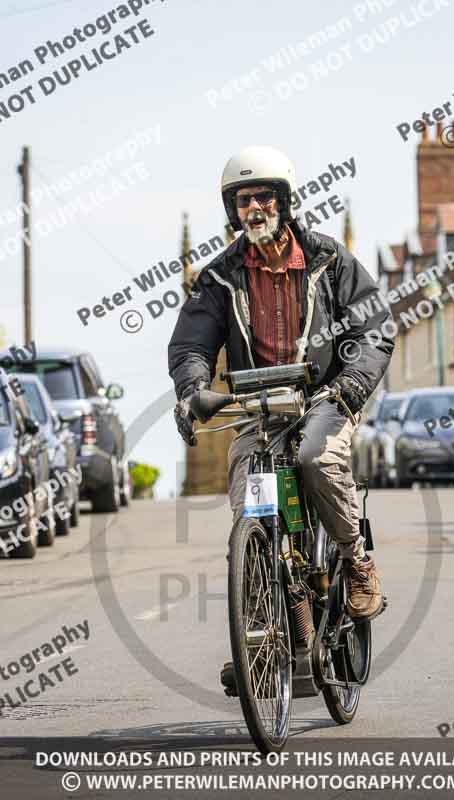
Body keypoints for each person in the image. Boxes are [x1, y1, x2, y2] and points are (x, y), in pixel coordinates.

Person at [168, 145, 395, 622]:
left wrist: (351, 385)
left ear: (285, 201)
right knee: (249, 494)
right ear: (233, 211)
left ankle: (356, 561)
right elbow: (191, 346)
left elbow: (373, 330)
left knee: (315, 458)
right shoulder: (219, 277)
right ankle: (259, 617)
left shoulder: (329, 259)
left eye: (264, 197)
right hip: (260, 406)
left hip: (326, 398)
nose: (254, 208)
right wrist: (192, 391)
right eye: (243, 200)